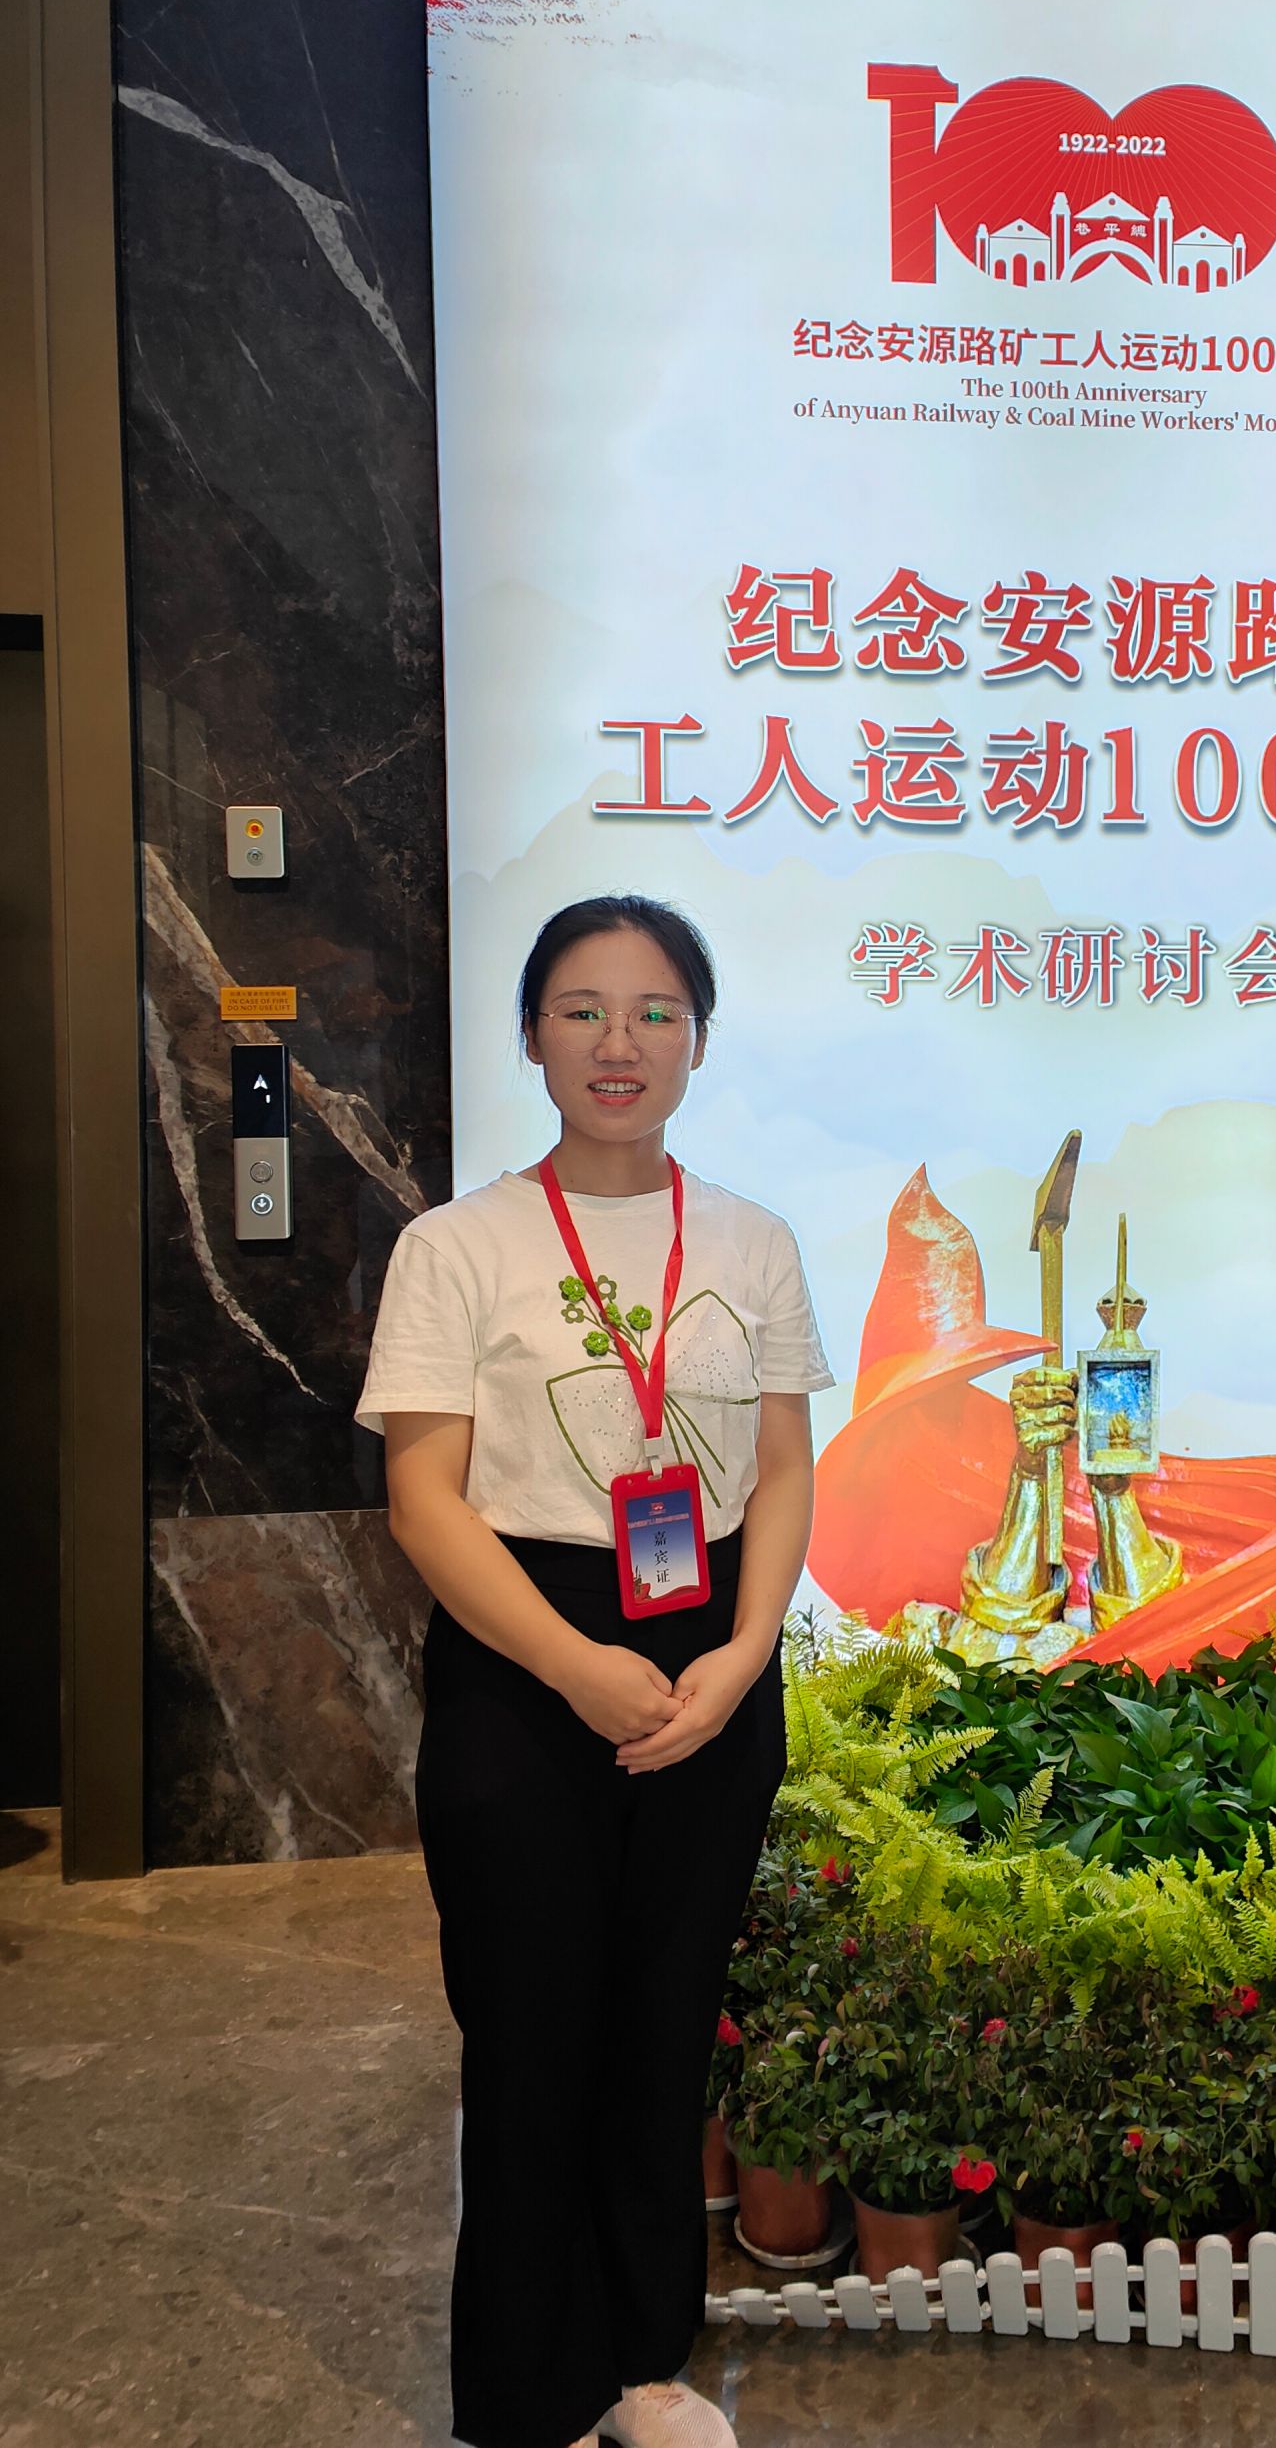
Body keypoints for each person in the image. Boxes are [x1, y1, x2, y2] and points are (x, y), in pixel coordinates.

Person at [358, 895, 831, 2448]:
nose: (618, 1043)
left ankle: (639, 2361)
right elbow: (424, 1498)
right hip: (525, 1655)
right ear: (531, 1035)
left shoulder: (753, 1239)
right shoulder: (457, 1245)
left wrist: (744, 1655)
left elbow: (781, 1464)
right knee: (532, 2030)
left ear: (697, 1038)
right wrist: (576, 1668)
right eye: (582, 1009)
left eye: (654, 1012)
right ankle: (527, 2391)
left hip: (710, 1651)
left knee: (662, 2026)